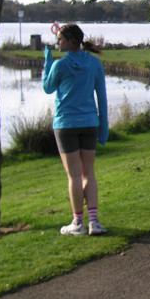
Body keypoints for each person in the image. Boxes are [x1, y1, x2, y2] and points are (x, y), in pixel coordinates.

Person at [43, 23, 109, 236]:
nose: (57, 43)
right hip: (90, 123)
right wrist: (104, 127)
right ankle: (94, 222)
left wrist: (47, 62)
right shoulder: (94, 63)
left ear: (71, 41)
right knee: (89, 173)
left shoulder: (60, 65)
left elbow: (47, 88)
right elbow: (102, 96)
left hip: (66, 124)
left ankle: (78, 223)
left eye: (60, 40)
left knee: (74, 176)